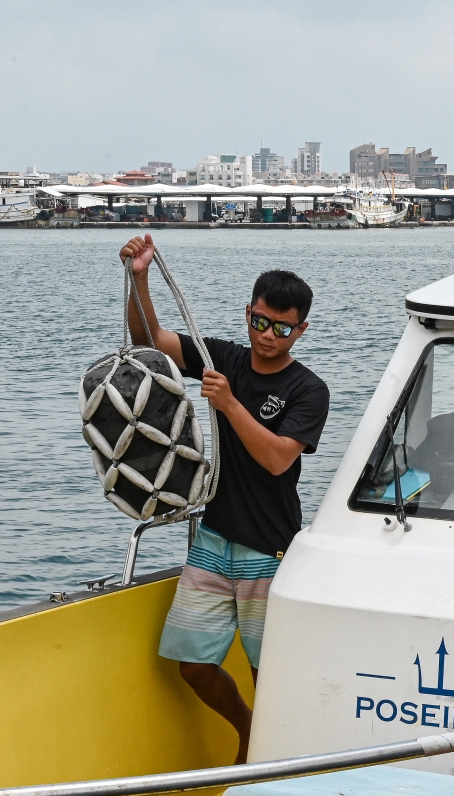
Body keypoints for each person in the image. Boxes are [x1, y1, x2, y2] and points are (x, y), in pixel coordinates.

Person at [120, 235, 330, 762]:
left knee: (268, 669)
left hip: (268, 547)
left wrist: (231, 404)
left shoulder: (309, 389)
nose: (267, 336)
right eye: (260, 321)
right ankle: (249, 730)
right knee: (191, 664)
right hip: (214, 538)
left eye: (281, 328)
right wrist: (140, 277)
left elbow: (279, 458)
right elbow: (151, 339)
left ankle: (280, 756)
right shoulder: (225, 359)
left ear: (300, 330)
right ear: (248, 314)